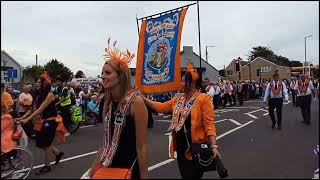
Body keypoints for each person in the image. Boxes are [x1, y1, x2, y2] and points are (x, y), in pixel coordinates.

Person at [141, 63, 221, 179]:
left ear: (192, 83)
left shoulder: (203, 99)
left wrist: (213, 146)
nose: (181, 83)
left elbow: (209, 125)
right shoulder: (179, 98)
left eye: (183, 81)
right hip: (181, 147)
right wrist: (143, 99)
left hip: (195, 148)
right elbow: (162, 107)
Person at [89, 38, 148, 179]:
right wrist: (92, 170)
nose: (103, 77)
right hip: (106, 168)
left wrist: (145, 176)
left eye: (108, 73)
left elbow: (141, 147)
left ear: (120, 76)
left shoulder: (136, 102)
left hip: (129, 170)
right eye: (102, 73)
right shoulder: (107, 102)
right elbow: (104, 143)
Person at [15, 71, 67, 175]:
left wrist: (27, 119)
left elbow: (40, 109)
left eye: (39, 82)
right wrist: (22, 118)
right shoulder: (38, 95)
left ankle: (47, 166)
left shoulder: (50, 95)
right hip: (41, 122)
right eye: (37, 82)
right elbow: (32, 109)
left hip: (50, 122)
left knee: (46, 144)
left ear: (44, 83)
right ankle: (57, 153)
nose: (36, 83)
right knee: (40, 143)